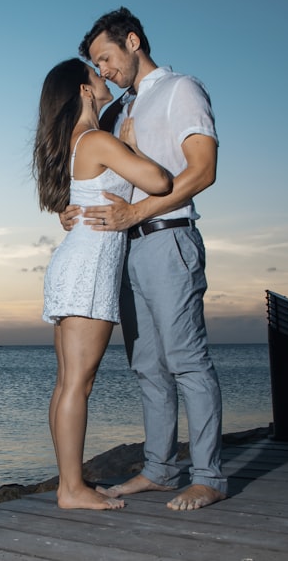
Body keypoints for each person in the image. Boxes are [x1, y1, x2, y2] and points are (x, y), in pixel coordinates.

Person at [65, 7, 227, 510]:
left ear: (133, 41)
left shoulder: (182, 90)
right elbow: (105, 174)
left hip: (167, 239)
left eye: (106, 57)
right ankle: (159, 470)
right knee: (146, 366)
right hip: (125, 248)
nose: (105, 70)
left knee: (186, 361)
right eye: (97, 64)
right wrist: (75, 211)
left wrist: (136, 212)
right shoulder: (117, 112)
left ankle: (208, 478)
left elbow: (203, 171)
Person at [34, 58, 172, 511]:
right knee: (78, 384)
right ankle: (72, 489)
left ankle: (66, 485)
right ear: (84, 91)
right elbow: (159, 180)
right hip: (89, 269)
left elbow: (71, 203)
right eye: (96, 74)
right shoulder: (97, 140)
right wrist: (132, 149)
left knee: (67, 383)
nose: (103, 76)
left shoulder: (78, 143)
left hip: (74, 265)